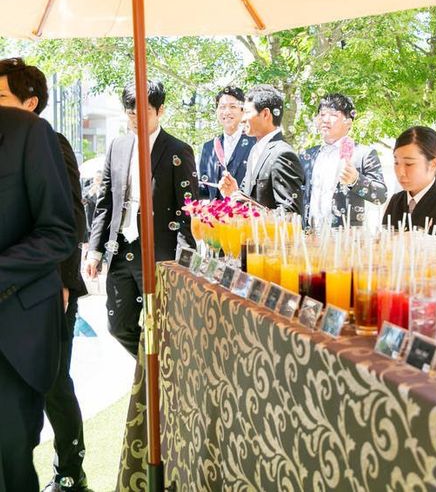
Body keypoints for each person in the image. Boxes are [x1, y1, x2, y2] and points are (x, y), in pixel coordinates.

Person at [0, 57, 90, 492]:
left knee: (56, 386)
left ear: (30, 101)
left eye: (1, 96)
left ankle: (70, 468)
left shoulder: (45, 139)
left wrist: (67, 282)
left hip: (37, 301)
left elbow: (69, 219)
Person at [86, 80, 198, 357]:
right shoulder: (118, 146)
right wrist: (94, 250)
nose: (136, 119)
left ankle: (158, 374)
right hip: (120, 249)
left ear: (160, 110)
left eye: (144, 111)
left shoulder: (178, 150)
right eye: (131, 112)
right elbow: (105, 203)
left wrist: (183, 260)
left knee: (162, 327)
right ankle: (150, 371)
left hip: (159, 253)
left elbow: (188, 210)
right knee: (118, 325)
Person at [301, 93, 387, 228]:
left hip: (345, 235)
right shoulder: (307, 155)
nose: (325, 120)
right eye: (322, 114)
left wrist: (356, 180)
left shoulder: (363, 154)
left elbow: (381, 195)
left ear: (348, 122)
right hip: (309, 234)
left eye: (333, 115)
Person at [219, 84, 304, 214]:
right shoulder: (254, 150)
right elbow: (251, 200)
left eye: (247, 112)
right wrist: (234, 193)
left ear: (265, 114)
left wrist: (243, 202)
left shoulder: (283, 154)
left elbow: (291, 214)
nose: (242, 119)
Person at [198, 86, 255, 200]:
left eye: (233, 106)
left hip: (247, 209)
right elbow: (205, 189)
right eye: (222, 107)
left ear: (242, 111)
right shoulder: (208, 147)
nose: (227, 112)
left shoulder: (255, 143)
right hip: (216, 211)